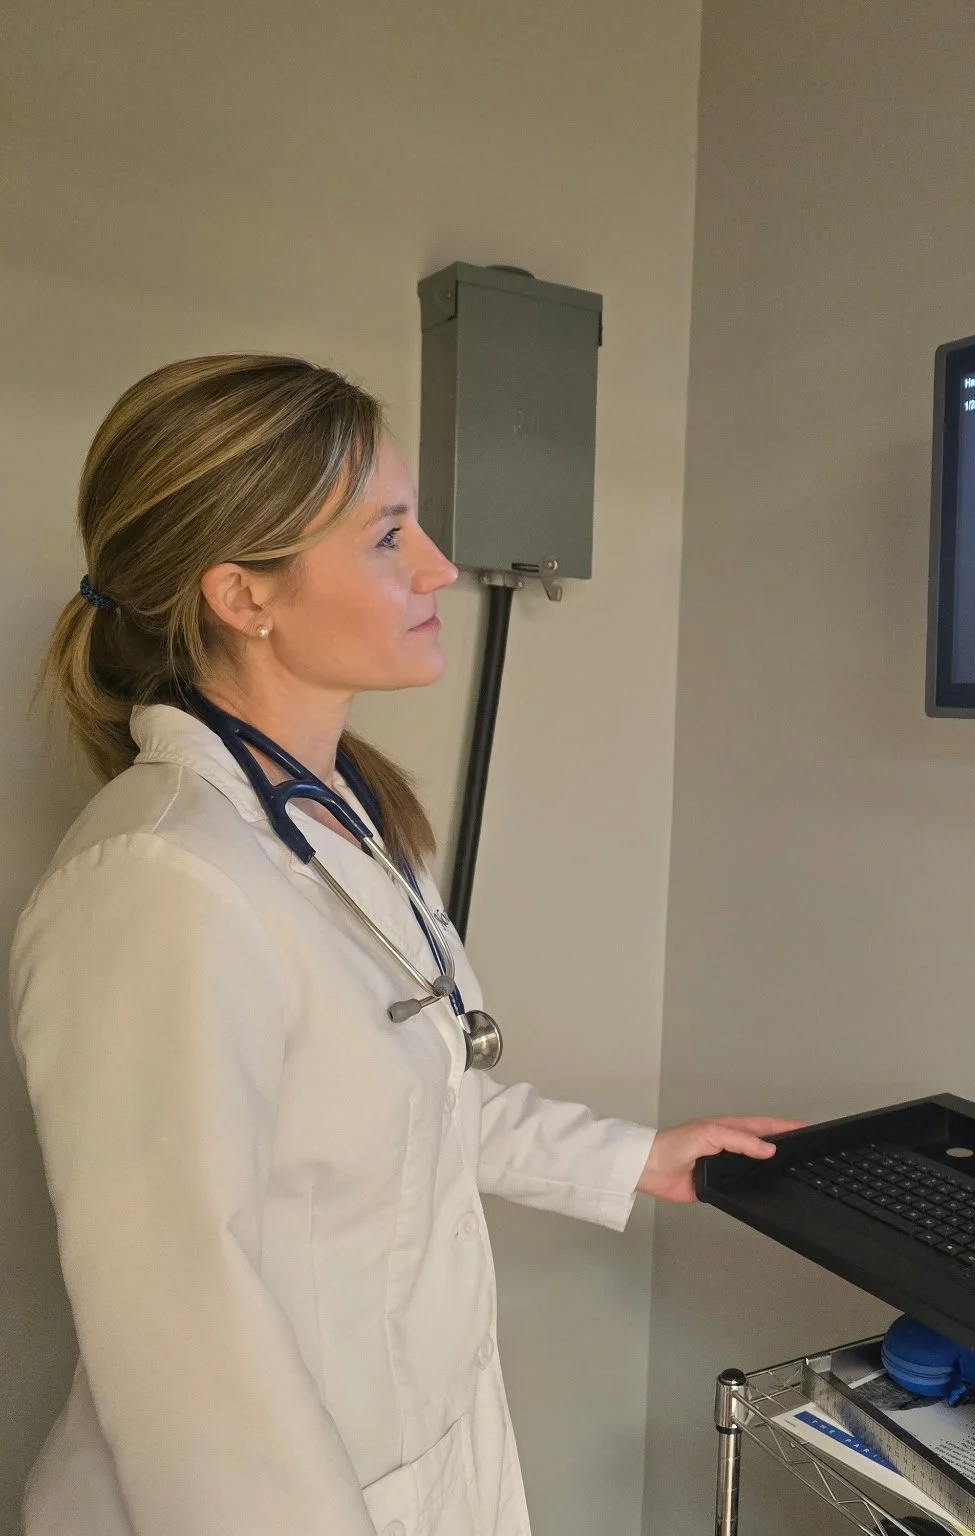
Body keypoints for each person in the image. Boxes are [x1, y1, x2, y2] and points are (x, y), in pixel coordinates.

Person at [9, 354, 799, 1536]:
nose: (436, 566)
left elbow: (408, 1108)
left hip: (419, 1459)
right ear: (242, 594)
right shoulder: (161, 879)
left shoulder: (345, 815)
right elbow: (179, 1337)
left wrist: (642, 1157)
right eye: (387, 538)